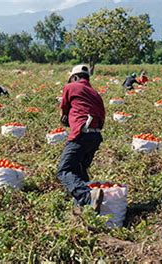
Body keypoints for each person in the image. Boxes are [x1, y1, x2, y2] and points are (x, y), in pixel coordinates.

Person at [57, 65, 106, 212]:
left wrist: (68, 119)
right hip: (95, 135)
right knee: (79, 169)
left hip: (81, 133)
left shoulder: (71, 87)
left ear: (75, 77)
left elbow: (64, 110)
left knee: (64, 170)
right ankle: (83, 208)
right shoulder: (96, 94)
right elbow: (102, 117)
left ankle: (88, 197)